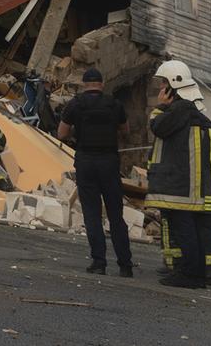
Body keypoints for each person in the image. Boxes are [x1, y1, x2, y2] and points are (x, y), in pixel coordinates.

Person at [145, 59, 211, 289]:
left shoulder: (179, 110)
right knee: (195, 231)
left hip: (180, 186)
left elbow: (158, 126)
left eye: (163, 84)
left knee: (184, 230)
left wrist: (159, 107)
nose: (160, 90)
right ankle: (195, 273)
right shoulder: (202, 119)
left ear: (173, 87)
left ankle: (189, 275)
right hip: (195, 187)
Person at [58, 68, 134, 276]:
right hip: (109, 162)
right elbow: (126, 130)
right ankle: (125, 265)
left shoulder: (75, 104)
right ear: (101, 84)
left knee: (92, 214)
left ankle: (99, 263)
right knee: (116, 215)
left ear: (84, 84)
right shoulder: (114, 104)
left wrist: (77, 131)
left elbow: (61, 133)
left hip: (86, 161)